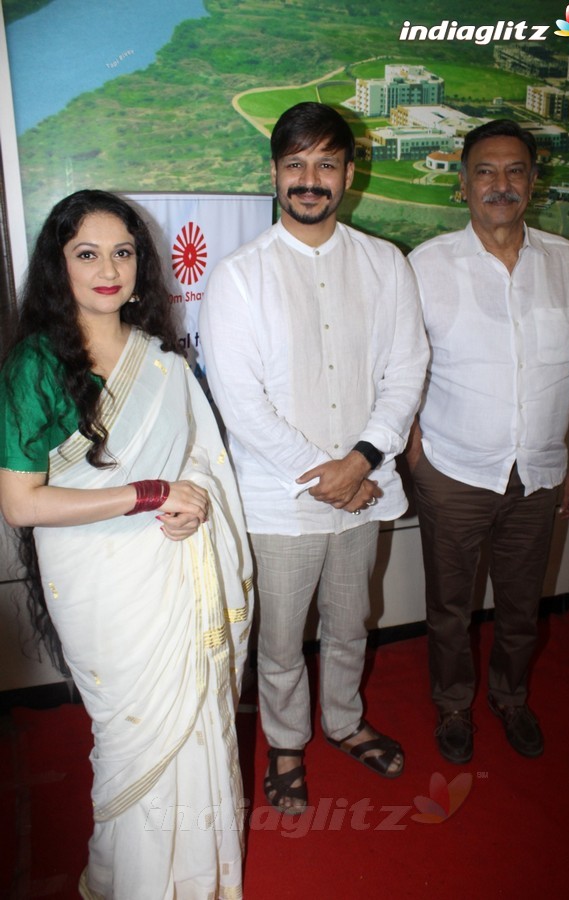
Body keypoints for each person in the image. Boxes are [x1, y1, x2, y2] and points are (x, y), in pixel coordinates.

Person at [0, 190, 253, 899]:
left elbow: (199, 460)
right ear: (60, 266)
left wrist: (189, 503)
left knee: (194, 723)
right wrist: (145, 496)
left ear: (141, 265)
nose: (108, 268)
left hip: (171, 564)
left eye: (123, 251)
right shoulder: (36, 366)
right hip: (97, 581)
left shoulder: (165, 363)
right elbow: (20, 503)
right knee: (129, 737)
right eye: (87, 253)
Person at [200, 102, 428, 814]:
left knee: (350, 620)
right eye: (295, 164)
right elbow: (242, 404)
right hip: (280, 501)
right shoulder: (239, 275)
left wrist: (360, 461)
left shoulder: (384, 264)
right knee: (280, 637)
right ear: (274, 173)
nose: (310, 179)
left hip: (364, 490)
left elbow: (406, 370)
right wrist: (331, 477)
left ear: (348, 175)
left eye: (325, 163)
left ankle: (344, 721)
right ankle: (288, 741)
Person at [406, 119, 569, 764]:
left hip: (542, 472)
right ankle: (454, 706)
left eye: (515, 170)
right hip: (454, 469)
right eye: (485, 171)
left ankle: (511, 699)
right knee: (449, 609)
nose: (501, 184)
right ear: (462, 185)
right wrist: (414, 453)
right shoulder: (426, 265)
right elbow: (401, 367)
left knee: (523, 606)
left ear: (534, 182)